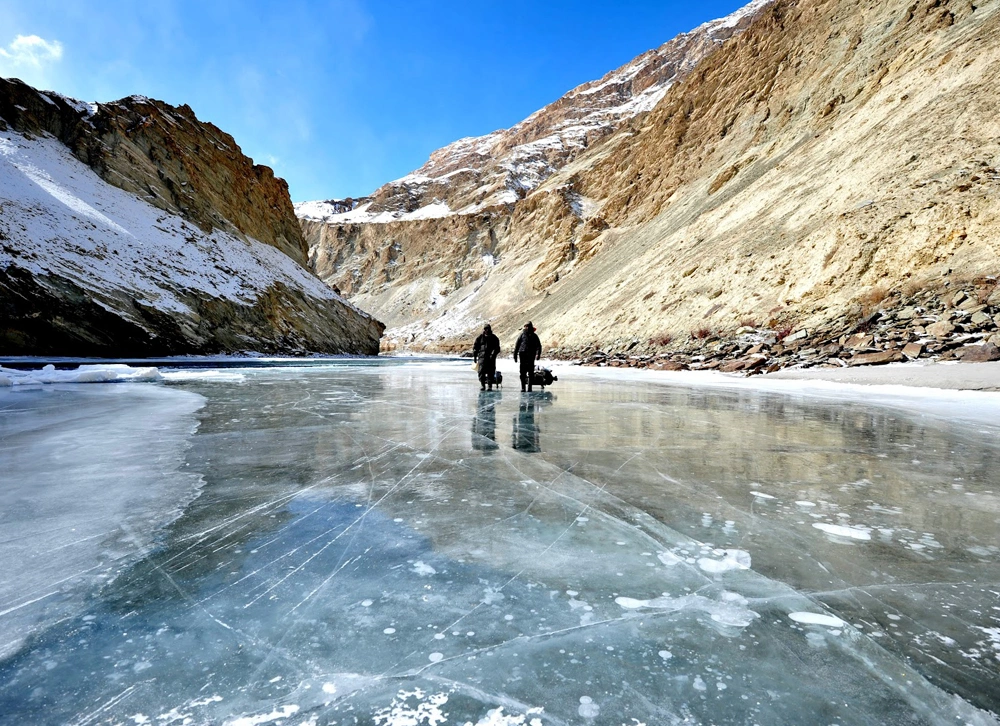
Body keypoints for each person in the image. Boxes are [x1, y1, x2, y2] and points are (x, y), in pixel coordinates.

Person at [513, 321, 542, 392]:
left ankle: (529, 387)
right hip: (522, 356)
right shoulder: (521, 336)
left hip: (531, 356)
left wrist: (538, 354)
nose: (527, 327)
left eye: (528, 326)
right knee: (522, 373)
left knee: (531, 372)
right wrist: (515, 356)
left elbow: (539, 346)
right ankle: (523, 387)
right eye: (526, 326)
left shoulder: (534, 336)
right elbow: (517, 346)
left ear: (531, 327)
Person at [473, 323, 501, 391]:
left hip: (491, 358)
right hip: (482, 358)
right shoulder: (480, 338)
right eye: (486, 329)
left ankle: (489, 386)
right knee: (481, 372)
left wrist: (493, 354)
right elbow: (475, 347)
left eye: (488, 328)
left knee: (490, 372)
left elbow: (497, 348)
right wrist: (475, 356)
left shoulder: (494, 338)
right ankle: (482, 385)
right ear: (484, 329)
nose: (487, 330)